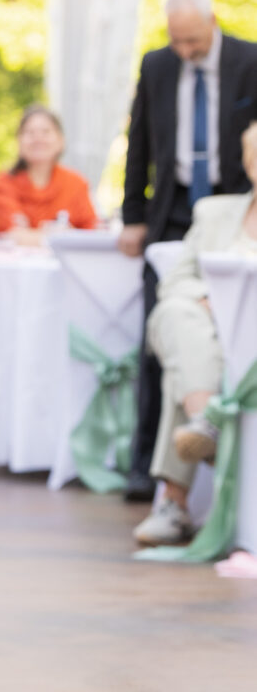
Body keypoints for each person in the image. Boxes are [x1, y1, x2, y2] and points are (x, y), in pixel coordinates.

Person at [121, 0, 257, 501]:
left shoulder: (250, 59)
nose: (185, 51)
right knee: (160, 332)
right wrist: (134, 214)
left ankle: (198, 463)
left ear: (213, 22)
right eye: (177, 41)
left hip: (234, 205)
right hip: (173, 210)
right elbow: (140, 142)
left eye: (193, 41)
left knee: (216, 328)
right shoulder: (156, 66)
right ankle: (145, 467)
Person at [133, 122, 257, 547]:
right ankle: (205, 418)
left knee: (181, 363)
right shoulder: (216, 212)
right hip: (203, 325)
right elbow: (177, 279)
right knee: (179, 314)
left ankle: (175, 503)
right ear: (245, 160)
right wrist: (212, 300)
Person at [0, 106, 99, 238]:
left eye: (46, 132)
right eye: (29, 132)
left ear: (61, 141)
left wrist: (29, 233)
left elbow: (91, 232)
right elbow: (8, 234)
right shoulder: (3, 184)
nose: (38, 138)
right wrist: (63, 234)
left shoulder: (76, 183)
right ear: (19, 141)